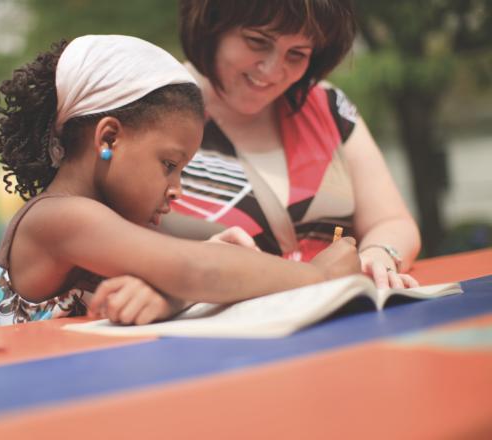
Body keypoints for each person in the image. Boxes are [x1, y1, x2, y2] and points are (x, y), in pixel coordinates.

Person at [0, 34, 361, 330]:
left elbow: (190, 269)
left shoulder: (107, 218)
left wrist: (175, 285)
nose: (177, 188)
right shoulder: (60, 218)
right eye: (169, 164)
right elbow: (194, 270)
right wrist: (321, 276)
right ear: (109, 138)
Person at [166, 0, 421, 289]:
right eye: (257, 41)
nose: (273, 70)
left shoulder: (328, 108)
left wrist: (380, 254)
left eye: (297, 54)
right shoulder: (155, 112)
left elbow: (392, 221)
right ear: (211, 24)